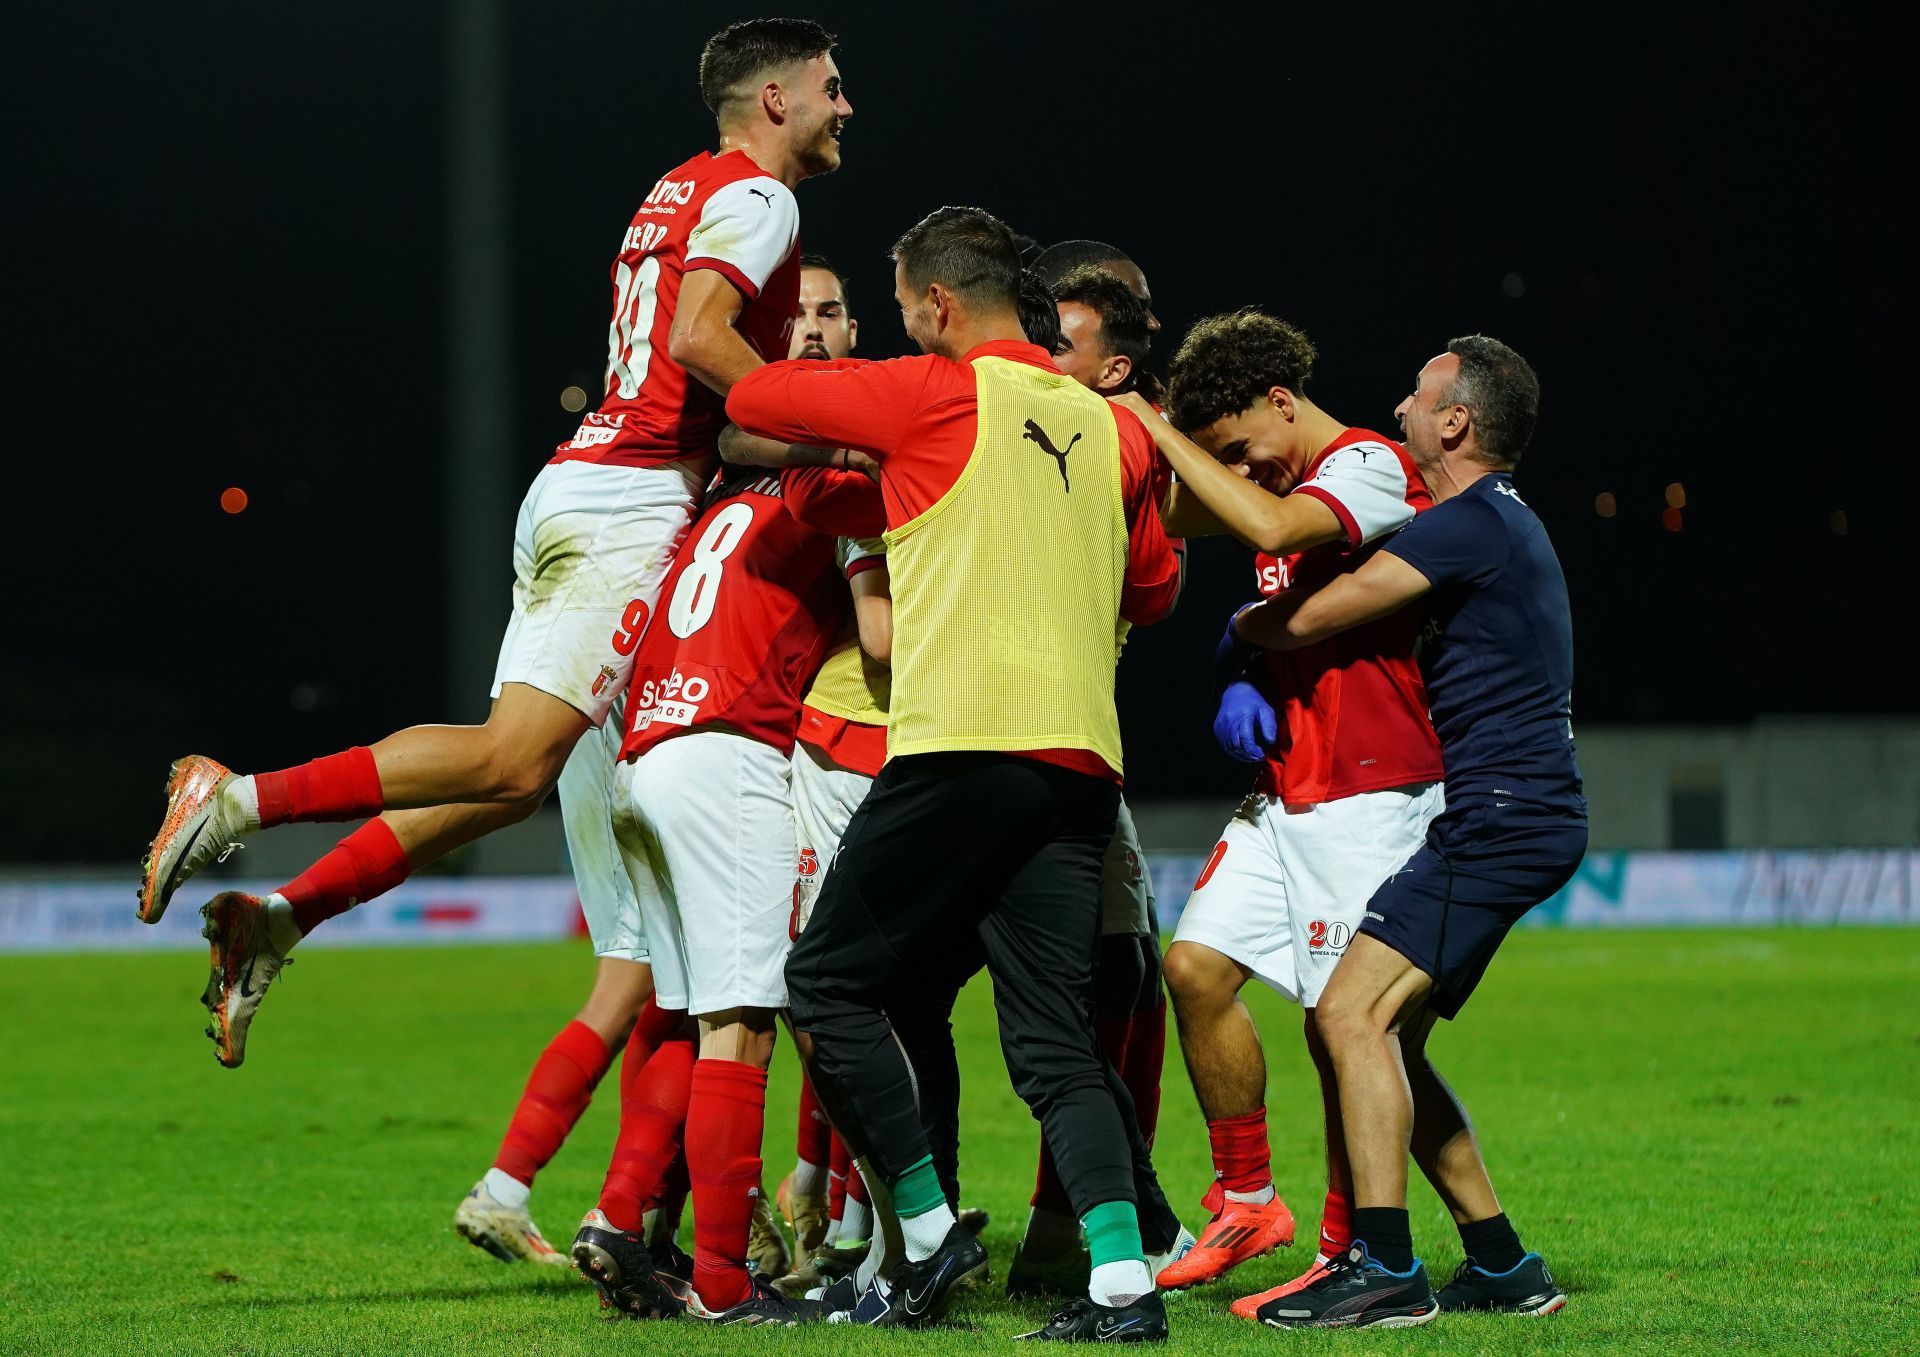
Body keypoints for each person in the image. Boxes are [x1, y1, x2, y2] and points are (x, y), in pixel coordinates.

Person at [161, 15, 851, 1262]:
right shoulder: (761, 199)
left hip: (587, 486)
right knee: (609, 882)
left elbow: (687, 391)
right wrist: (830, 417)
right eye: (830, 88)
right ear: (771, 100)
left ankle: (289, 913)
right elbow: (702, 346)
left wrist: (809, 436)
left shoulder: (674, 188)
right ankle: (237, 800)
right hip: (629, 506)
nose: (846, 108)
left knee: (508, 784)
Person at [726, 206, 1183, 1341]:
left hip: (962, 746)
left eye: (901, 311)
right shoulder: (1114, 427)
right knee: (1055, 1037)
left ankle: (923, 1234)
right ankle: (1123, 1287)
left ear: (937, 306)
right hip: (1081, 764)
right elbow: (1155, 590)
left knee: (829, 983)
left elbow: (749, 402)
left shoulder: (932, 393)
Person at [1230, 336, 1584, 1328]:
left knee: (1345, 1018)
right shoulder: (1500, 523)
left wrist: (1241, 629)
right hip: (1518, 814)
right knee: (1391, 1041)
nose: (1398, 408)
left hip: (1501, 818)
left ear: (1456, 422)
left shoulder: (1467, 523)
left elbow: (1309, 621)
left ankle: (1382, 1270)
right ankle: (1505, 1265)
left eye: (1419, 398)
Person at [1107, 309, 1445, 1311]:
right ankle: (1249, 1196)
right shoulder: (1279, 473)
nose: (1243, 472)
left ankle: (1356, 1248)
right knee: (1196, 969)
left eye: (1245, 448)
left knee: (1342, 1027)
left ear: (1283, 403)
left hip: (1372, 792)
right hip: (1287, 790)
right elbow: (1176, 511)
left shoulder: (1368, 465)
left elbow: (1264, 528)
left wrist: (1158, 425)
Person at [570, 455, 884, 1326]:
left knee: (678, 1011)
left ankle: (629, 1216)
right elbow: (883, 635)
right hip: (728, 754)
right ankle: (722, 1282)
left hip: (642, 753)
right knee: (742, 1027)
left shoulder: (710, 501)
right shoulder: (834, 493)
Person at [1008, 265, 1191, 1301]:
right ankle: (1127, 1215)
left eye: (1062, 342)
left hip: (1046, 743)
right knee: (1093, 995)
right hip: (1010, 744)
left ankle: (1049, 1220)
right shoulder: (1067, 430)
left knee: (1121, 981)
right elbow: (1157, 587)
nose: (1043, 357)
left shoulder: (1092, 435)